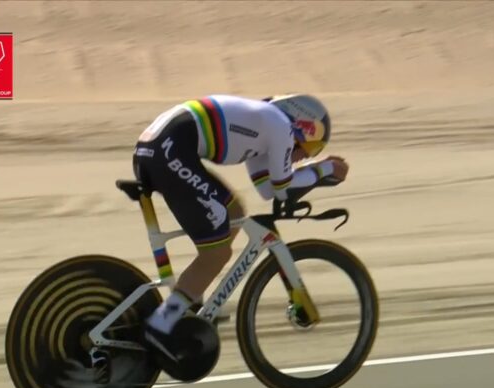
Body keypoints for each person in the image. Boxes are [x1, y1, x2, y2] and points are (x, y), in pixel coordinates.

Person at [131, 93, 349, 359]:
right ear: (302, 129)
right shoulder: (279, 126)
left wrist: (315, 169)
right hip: (168, 152)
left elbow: (268, 190)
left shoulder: (265, 125)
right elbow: (282, 187)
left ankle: (189, 301)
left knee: (233, 211)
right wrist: (325, 169)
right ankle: (162, 323)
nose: (301, 158)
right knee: (217, 253)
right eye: (308, 150)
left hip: (159, 148)